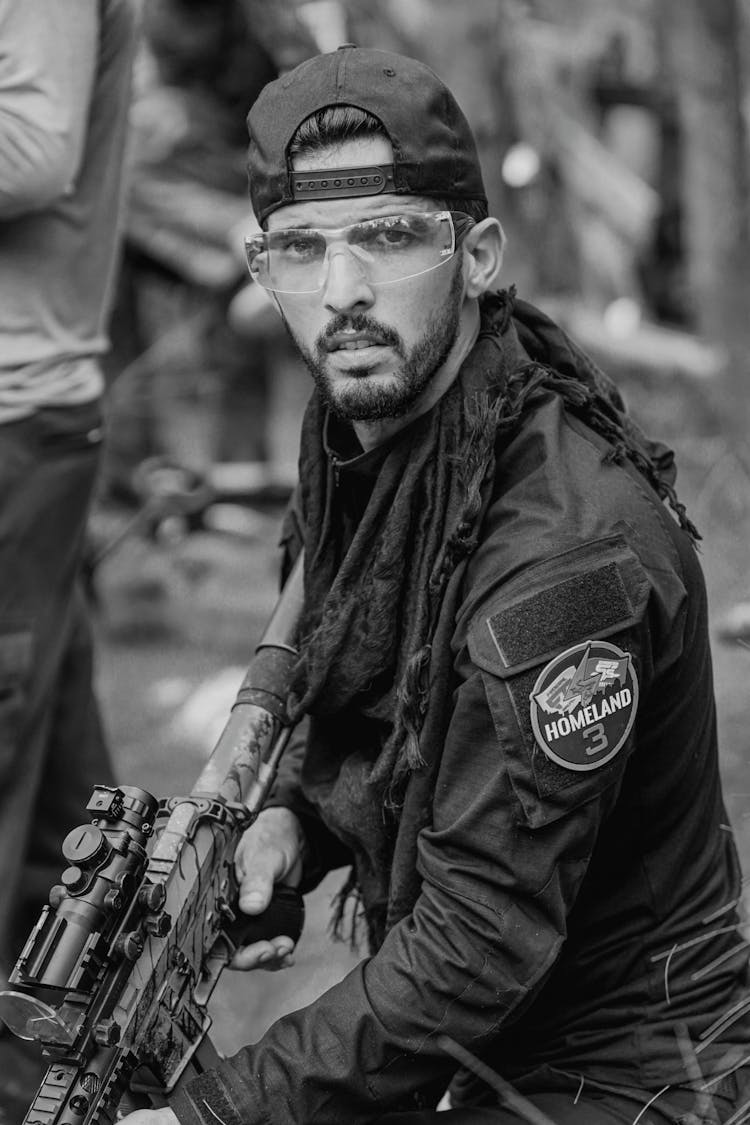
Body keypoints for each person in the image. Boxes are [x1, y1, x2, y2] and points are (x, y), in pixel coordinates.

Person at [120, 46, 750, 1125]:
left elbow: (478, 943)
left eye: (390, 235)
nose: (345, 292)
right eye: (302, 251)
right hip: (495, 1041)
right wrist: (296, 823)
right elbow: (398, 705)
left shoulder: (565, 566)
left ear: (479, 256)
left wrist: (216, 1114)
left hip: (632, 1071)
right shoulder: (375, 447)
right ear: (260, 272)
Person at [0, 1, 140, 1117]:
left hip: (10, 418)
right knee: (66, 830)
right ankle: (76, 1084)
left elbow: (35, 151)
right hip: (26, 422)